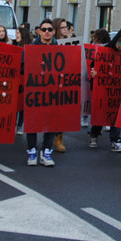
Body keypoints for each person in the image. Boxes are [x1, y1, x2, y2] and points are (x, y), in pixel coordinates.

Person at [88, 27, 121, 153]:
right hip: (103, 87)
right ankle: (94, 134)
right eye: (119, 45)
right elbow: (91, 65)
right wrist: (93, 72)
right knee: (101, 112)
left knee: (116, 114)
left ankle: (115, 139)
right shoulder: (103, 51)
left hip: (118, 89)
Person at [26, 19, 59, 166]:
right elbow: (23, 68)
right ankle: (32, 151)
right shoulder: (31, 48)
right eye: (44, 29)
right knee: (33, 122)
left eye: (50, 29)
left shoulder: (60, 49)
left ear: (54, 32)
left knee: (51, 122)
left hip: (52, 91)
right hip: (34, 90)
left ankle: (46, 151)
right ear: (39, 31)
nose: (47, 32)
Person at [51, 17, 70, 152]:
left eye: (66, 27)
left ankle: (59, 136)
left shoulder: (70, 42)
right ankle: (54, 137)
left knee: (63, 111)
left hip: (67, 81)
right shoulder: (53, 43)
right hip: (54, 82)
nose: (65, 30)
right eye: (63, 27)